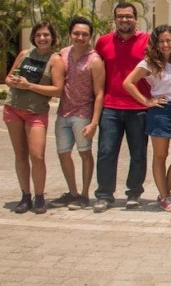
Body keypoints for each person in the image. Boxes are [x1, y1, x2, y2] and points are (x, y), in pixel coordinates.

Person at [93, 2, 150, 213]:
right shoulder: (103, 42)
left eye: (128, 16)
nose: (124, 20)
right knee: (106, 152)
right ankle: (104, 195)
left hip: (139, 108)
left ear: (136, 18)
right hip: (110, 107)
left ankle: (134, 193)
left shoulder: (147, 41)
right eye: (120, 17)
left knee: (138, 153)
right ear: (115, 19)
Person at [4, 21, 65, 214]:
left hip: (36, 112)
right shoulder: (24, 54)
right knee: (20, 155)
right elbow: (8, 78)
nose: (42, 38)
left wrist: (29, 86)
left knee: (37, 156)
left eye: (46, 35)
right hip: (13, 108)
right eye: (39, 35)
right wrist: (14, 81)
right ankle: (25, 196)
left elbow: (57, 90)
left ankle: (40, 197)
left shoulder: (55, 60)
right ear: (34, 37)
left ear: (53, 37)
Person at [123, 25, 171, 213]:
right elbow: (128, 82)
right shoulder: (149, 63)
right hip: (161, 111)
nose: (165, 44)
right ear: (155, 44)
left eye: (169, 40)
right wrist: (147, 101)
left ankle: (163, 192)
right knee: (161, 156)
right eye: (161, 41)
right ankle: (165, 196)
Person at [50, 17, 105, 210]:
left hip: (82, 114)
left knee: (84, 153)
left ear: (90, 36)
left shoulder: (95, 60)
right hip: (63, 113)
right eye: (76, 33)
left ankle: (84, 194)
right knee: (63, 153)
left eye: (84, 34)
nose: (80, 37)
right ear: (70, 34)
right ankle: (72, 192)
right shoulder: (63, 54)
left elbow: (99, 93)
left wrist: (94, 122)